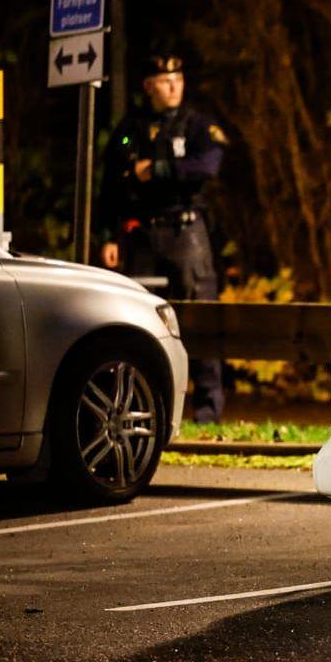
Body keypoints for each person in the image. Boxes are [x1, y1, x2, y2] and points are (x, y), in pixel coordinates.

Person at [99, 51, 228, 423]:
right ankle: (144, 410)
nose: (173, 86)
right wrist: (109, 235)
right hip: (143, 235)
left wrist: (156, 170)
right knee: (141, 321)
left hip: (187, 233)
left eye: (178, 79)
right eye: (165, 81)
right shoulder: (130, 129)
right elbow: (110, 188)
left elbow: (208, 166)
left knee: (200, 318)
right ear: (148, 86)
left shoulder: (197, 125)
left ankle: (207, 413)